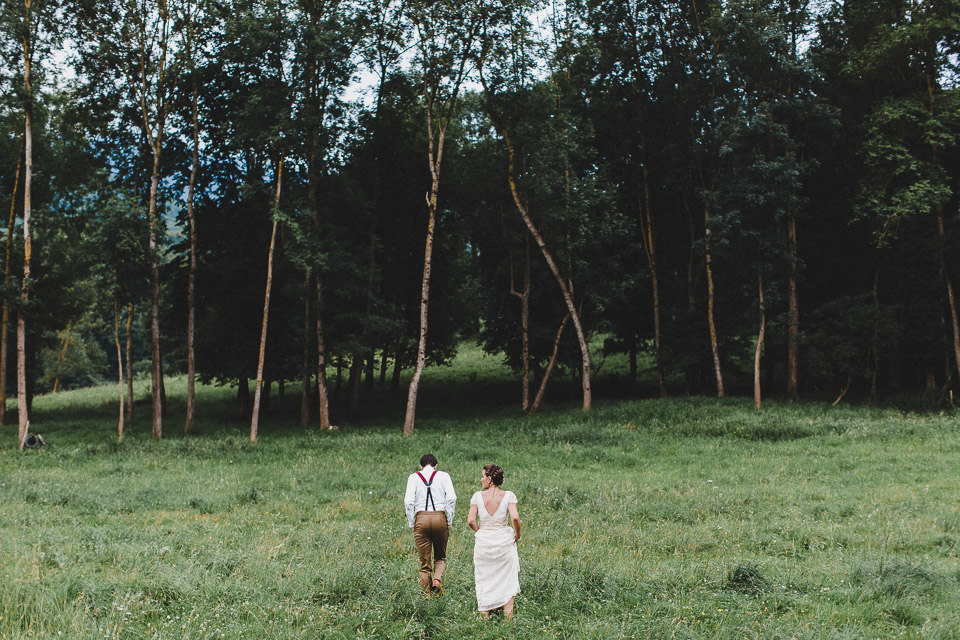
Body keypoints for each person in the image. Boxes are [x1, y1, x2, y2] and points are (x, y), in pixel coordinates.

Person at [467, 464, 521, 619]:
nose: (481, 479)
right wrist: (517, 535)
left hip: (484, 543)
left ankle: (484, 616)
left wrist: (481, 532)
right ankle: (508, 617)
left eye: (483, 476)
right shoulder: (509, 495)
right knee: (507, 578)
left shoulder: (477, 496)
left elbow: (471, 520)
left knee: (484, 578)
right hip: (503, 541)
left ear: (489, 479)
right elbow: (515, 517)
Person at [404, 453, 457, 595]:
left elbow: (408, 502)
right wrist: (449, 519)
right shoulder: (444, 476)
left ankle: (427, 596)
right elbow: (451, 498)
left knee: (424, 563)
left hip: (421, 518)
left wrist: (412, 522)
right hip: (440, 517)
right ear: (436, 466)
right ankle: (437, 580)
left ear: (420, 467)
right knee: (440, 556)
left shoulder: (414, 477)